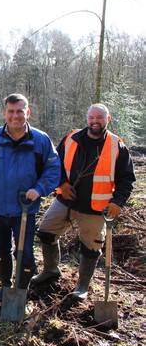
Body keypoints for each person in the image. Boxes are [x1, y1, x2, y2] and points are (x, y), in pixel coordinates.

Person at [32, 103, 135, 300]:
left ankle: (82, 286)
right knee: (46, 232)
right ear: (87, 119)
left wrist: (117, 202)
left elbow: (127, 180)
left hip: (97, 208)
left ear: (108, 119)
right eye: (92, 118)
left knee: (91, 247)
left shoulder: (117, 146)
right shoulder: (71, 139)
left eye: (100, 118)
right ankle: (50, 270)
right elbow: (53, 165)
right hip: (66, 201)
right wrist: (61, 183)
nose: (95, 121)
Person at [0, 93, 61, 302]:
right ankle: (5, 288)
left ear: (27, 113)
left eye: (20, 111)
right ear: (4, 113)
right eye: (11, 111)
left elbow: (53, 169)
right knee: (2, 251)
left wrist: (40, 188)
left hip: (25, 208)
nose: (15, 116)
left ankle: (21, 291)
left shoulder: (40, 140)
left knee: (25, 253)